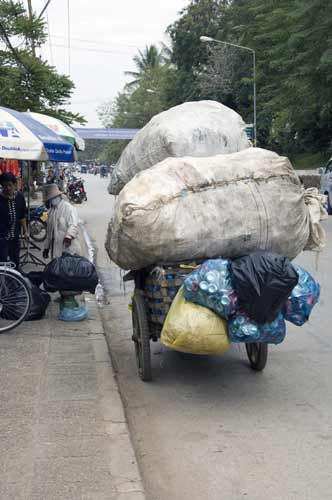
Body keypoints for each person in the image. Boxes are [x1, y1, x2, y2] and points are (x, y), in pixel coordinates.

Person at [43, 184, 82, 260]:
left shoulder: (68, 208)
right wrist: (46, 247)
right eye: (50, 199)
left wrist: (69, 236)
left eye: (53, 198)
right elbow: (49, 232)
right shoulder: (51, 211)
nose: (52, 200)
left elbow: (73, 224)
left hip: (69, 251)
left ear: (58, 196)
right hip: (56, 251)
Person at [0, 172, 29, 269]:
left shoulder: (19, 197)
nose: (7, 188)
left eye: (9, 185)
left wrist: (25, 231)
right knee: (3, 263)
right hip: (2, 238)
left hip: (15, 237)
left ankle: (15, 283)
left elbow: (22, 216)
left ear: (15, 184)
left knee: (15, 262)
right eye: (4, 186)